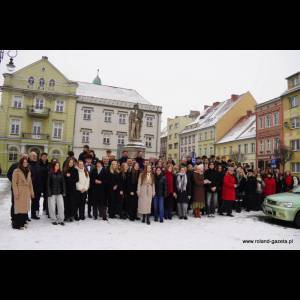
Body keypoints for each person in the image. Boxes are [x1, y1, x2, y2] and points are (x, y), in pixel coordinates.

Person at [12, 157, 35, 230]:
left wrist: (32, 192)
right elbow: (14, 183)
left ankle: (22, 223)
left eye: (26, 162)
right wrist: (16, 192)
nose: (25, 163)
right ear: (21, 163)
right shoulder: (16, 171)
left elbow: (30, 183)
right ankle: (17, 225)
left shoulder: (28, 171)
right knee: (19, 209)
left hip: (26, 192)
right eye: (24, 162)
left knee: (24, 209)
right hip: (20, 191)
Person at [7, 153, 29, 227]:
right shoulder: (14, 165)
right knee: (15, 204)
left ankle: (23, 219)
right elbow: (8, 174)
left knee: (23, 204)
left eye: (26, 157)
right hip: (16, 188)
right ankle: (14, 219)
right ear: (21, 157)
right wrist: (16, 183)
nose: (25, 158)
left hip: (24, 190)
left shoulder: (27, 166)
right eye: (24, 156)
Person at [28, 151, 42, 219]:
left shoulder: (38, 164)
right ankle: (25, 215)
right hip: (30, 186)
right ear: (30, 156)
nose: (34, 157)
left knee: (36, 201)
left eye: (35, 156)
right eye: (33, 156)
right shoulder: (27, 164)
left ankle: (35, 214)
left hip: (38, 186)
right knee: (27, 201)